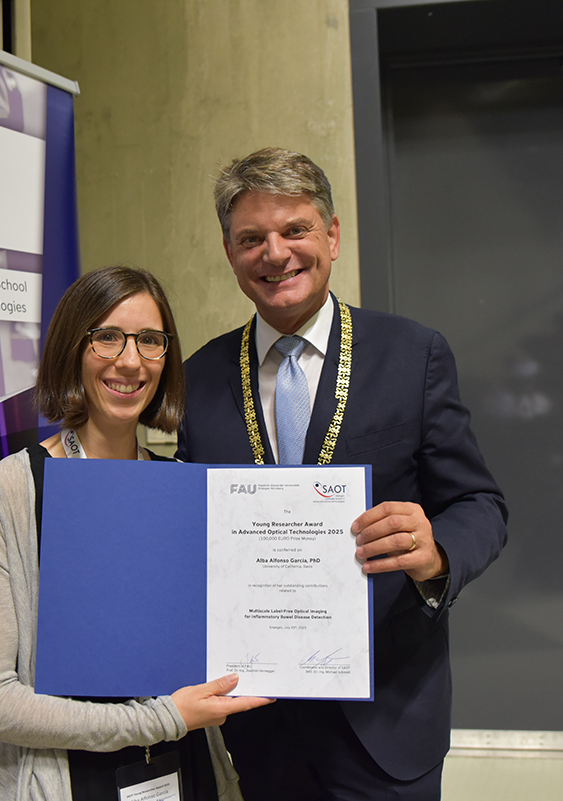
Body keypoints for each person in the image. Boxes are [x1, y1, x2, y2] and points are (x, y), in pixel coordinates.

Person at [176, 148, 509, 800]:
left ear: (331, 235)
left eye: (294, 229)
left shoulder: (413, 355)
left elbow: (480, 503)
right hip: (261, 724)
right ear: (228, 252)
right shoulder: (200, 378)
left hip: (387, 716)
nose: (275, 253)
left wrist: (437, 550)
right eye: (252, 238)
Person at [0, 265, 271, 801]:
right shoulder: (9, 489)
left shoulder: (184, 487)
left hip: (190, 774)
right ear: (72, 349)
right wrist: (160, 719)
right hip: (67, 783)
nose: (130, 360)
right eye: (107, 337)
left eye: (150, 340)